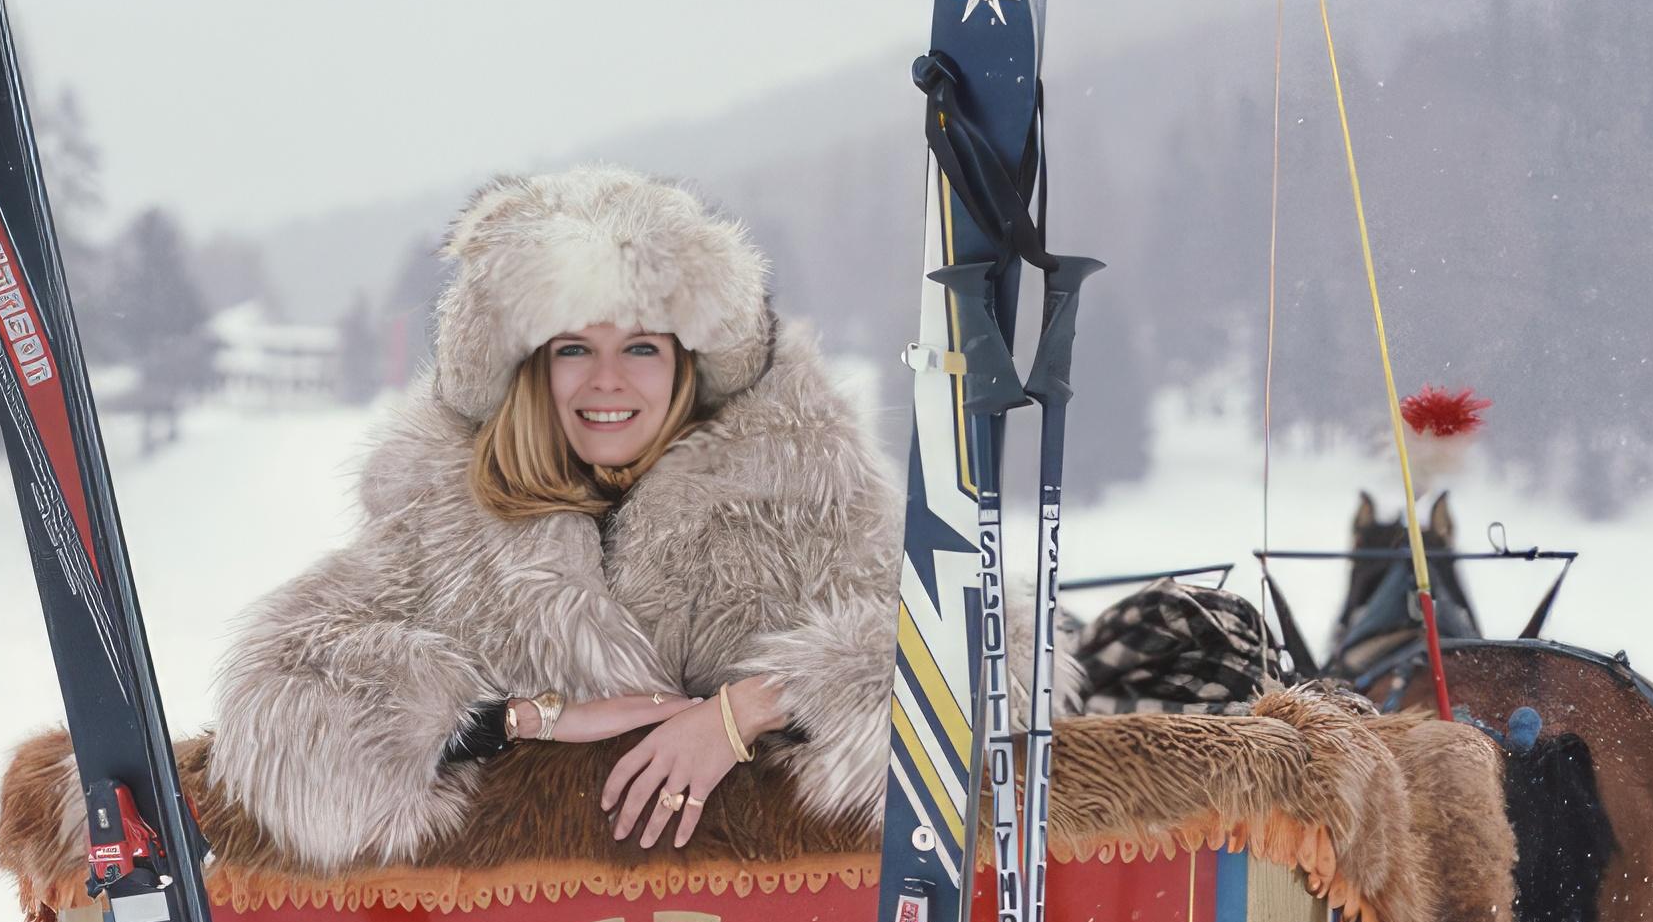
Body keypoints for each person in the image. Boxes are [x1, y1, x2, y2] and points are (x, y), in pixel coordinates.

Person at [209, 166, 1065, 871]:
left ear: (691, 364)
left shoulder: (803, 499)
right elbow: (280, 707)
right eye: (573, 348)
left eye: (642, 347)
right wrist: (526, 718)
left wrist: (747, 711)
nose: (606, 381)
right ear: (526, 372)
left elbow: (999, 652)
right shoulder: (442, 529)